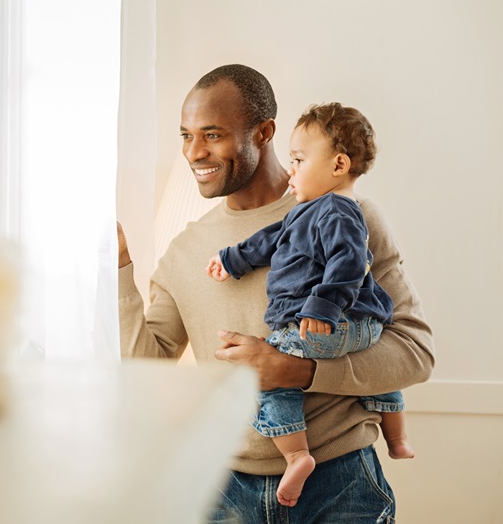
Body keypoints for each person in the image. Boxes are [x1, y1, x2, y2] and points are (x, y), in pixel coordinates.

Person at [117, 64, 434, 523]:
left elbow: (415, 352)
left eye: (212, 134)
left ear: (264, 132)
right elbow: (147, 369)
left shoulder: (349, 215)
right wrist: (119, 270)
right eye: (185, 135)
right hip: (223, 492)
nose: (194, 152)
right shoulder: (186, 252)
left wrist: (298, 370)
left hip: (340, 485)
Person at [206, 102, 413, 508]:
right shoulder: (305, 212)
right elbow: (268, 239)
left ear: (338, 165)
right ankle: (397, 436)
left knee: (265, 371)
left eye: (299, 160)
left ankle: (296, 454)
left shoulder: (340, 211)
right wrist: (233, 259)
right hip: (359, 327)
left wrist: (322, 307)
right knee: (379, 369)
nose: (289, 171)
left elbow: (349, 263)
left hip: (336, 322)